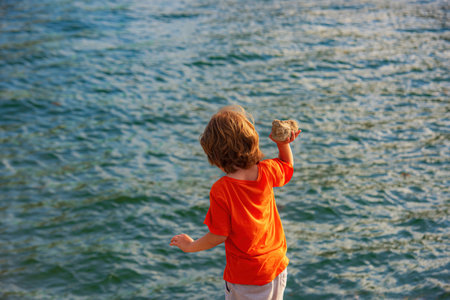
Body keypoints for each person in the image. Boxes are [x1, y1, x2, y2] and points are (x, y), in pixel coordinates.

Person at [170, 105, 301, 300]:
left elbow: (218, 235)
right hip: (276, 266)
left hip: (245, 278)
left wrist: (191, 246)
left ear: (215, 157)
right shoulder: (266, 171)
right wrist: (283, 144)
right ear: (252, 142)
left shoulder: (221, 190)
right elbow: (287, 167)